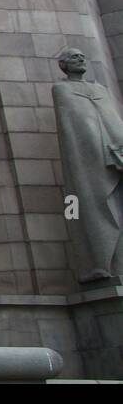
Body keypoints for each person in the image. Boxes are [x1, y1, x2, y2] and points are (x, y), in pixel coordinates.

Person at [52, 46, 123, 282]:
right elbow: (76, 126)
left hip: (115, 155)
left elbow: (112, 121)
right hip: (90, 160)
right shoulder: (62, 89)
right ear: (64, 65)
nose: (81, 58)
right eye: (74, 56)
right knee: (86, 206)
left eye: (82, 55)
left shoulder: (101, 89)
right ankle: (102, 263)